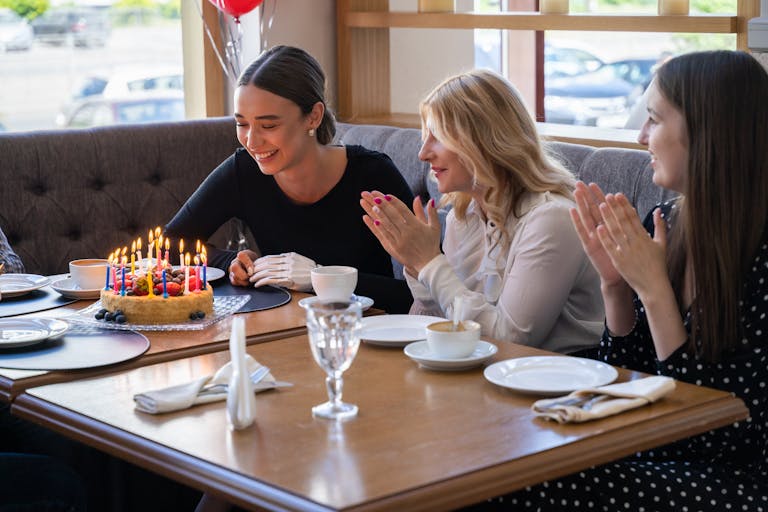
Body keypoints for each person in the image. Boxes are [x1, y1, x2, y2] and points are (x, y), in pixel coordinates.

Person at [472, 50, 768, 510]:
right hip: (662, 454)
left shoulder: (760, 250)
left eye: (654, 119)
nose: (641, 136)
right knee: (498, 455)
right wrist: (616, 288)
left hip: (739, 477)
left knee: (517, 481)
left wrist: (654, 292)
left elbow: (719, 428)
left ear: (707, 131)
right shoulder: (667, 220)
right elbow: (634, 379)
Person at [360, 69, 604, 353]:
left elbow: (511, 340)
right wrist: (417, 266)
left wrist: (429, 262)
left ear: (484, 140)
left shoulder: (552, 218)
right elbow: (436, 329)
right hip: (490, 377)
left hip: (563, 381)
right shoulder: (462, 217)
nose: (423, 153)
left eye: (437, 136)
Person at [165, 46, 415, 313]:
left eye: (268, 125)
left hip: (363, 334)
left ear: (313, 117)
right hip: (279, 331)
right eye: (242, 124)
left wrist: (320, 277)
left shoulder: (373, 175)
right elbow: (170, 245)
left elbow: (424, 293)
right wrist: (238, 264)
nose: (252, 140)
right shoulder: (244, 171)